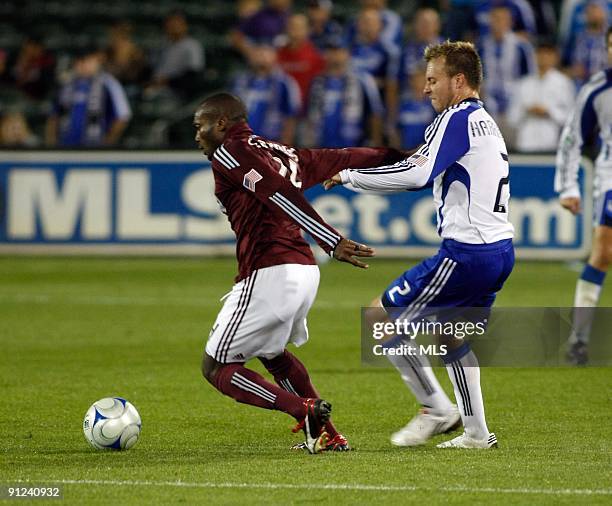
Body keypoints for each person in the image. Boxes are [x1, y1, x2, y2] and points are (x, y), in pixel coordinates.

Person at [324, 41, 514, 449]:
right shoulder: (484, 120)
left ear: (458, 81)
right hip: (499, 250)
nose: (425, 89)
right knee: (450, 335)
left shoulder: (456, 117)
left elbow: (417, 173)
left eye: (433, 80)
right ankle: (477, 434)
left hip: (467, 254)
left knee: (378, 316)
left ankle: (436, 409)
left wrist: (350, 175)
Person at [194, 92, 405, 453]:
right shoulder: (283, 152)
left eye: (199, 127)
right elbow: (344, 157)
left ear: (221, 123)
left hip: (270, 270)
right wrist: (403, 157)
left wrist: (329, 239)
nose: (196, 136)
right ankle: (329, 434)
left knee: (216, 367)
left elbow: (276, 192)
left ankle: (303, 410)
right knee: (272, 353)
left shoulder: (229, 151)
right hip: (302, 273)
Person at [554, 26, 612, 365]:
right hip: (610, 177)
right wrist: (569, 187)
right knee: (603, 253)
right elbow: (571, 138)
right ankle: (579, 339)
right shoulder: (598, 89)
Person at [45, 47, 131, 147]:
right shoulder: (66, 84)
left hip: (95, 150)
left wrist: (107, 144)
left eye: (88, 60)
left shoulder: (108, 83)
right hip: (65, 149)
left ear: (97, 61)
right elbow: (53, 117)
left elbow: (122, 117)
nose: (83, 65)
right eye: (80, 61)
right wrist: (51, 145)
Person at [306, 38, 383, 147]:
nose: (335, 55)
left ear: (348, 53)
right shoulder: (316, 82)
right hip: (322, 147)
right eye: (331, 51)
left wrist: (375, 144)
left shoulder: (363, 79)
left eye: (339, 51)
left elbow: (375, 113)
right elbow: (309, 114)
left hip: (354, 147)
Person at [507, 42, 575, 152]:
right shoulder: (524, 83)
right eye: (540, 54)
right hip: (525, 142)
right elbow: (512, 117)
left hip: (551, 141)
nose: (543, 58)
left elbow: (570, 117)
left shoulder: (563, 83)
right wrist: (526, 110)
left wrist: (548, 111)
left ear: (555, 57)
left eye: (548, 54)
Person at [232, 44, 301, 144]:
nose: (261, 56)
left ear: (274, 56)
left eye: (265, 52)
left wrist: (285, 146)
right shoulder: (239, 81)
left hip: (272, 141)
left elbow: (291, 117)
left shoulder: (284, 83)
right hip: (243, 142)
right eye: (257, 52)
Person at [147, 10, 204, 99]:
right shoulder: (161, 45)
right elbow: (151, 69)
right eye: (170, 23)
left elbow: (193, 76)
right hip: (155, 90)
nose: (173, 26)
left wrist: (168, 81)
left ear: (185, 25)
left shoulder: (192, 45)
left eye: (177, 23)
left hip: (176, 93)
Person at [276, 14, 325, 107]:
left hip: (305, 110)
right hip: (281, 110)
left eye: (299, 27)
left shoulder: (315, 56)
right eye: (292, 26)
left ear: (307, 30)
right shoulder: (277, 55)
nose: (295, 30)